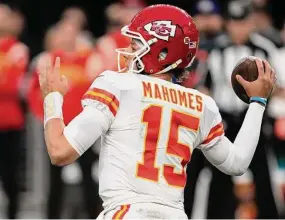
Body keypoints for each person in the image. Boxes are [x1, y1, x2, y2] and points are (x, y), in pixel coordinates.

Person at [38, 4, 276, 219]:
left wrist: (52, 97)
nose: (129, 50)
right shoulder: (201, 104)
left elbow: (60, 151)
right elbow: (237, 162)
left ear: (162, 53)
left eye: (136, 43)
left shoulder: (117, 85)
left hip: (126, 212)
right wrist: (257, 102)